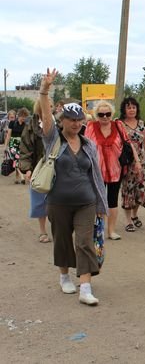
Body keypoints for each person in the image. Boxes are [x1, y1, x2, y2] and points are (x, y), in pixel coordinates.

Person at [38, 68, 108, 306]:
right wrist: (45, 90)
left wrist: (101, 204)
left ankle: (86, 287)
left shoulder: (88, 145)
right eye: (72, 120)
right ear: (63, 121)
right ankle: (64, 275)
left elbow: (96, 177)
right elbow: (46, 116)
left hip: (86, 201)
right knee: (62, 240)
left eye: (80, 120)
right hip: (58, 201)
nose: (77, 124)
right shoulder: (53, 140)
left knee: (85, 242)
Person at [84, 100, 141, 240]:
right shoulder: (91, 127)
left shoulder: (118, 125)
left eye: (107, 114)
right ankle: (99, 230)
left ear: (112, 114)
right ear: (96, 114)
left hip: (116, 169)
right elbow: (84, 146)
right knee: (99, 201)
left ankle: (111, 231)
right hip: (96, 171)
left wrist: (137, 161)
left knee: (112, 200)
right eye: (101, 114)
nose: (104, 117)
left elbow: (128, 144)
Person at [119, 97, 145, 229]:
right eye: (129, 107)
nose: (131, 110)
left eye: (134, 107)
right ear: (124, 109)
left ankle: (135, 215)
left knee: (140, 190)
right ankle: (128, 221)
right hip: (126, 162)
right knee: (127, 190)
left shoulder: (141, 124)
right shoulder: (119, 124)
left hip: (141, 163)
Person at [18, 98, 53, 243]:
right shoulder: (31, 126)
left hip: (58, 166)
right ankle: (43, 231)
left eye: (51, 105)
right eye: (47, 105)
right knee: (40, 200)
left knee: (59, 200)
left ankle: (60, 230)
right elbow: (25, 148)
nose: (50, 107)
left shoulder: (59, 123)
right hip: (39, 168)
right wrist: (27, 169)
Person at [4, 107, 30, 184]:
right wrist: (6, 146)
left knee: (18, 159)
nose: (24, 118)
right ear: (19, 115)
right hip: (13, 143)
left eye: (25, 117)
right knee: (16, 159)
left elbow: (26, 136)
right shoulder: (12, 123)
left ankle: (16, 177)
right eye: (23, 116)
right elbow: (8, 135)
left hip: (21, 144)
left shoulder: (25, 125)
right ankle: (22, 176)